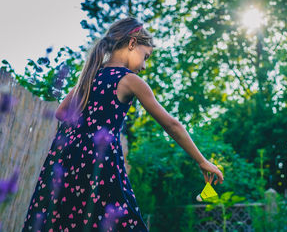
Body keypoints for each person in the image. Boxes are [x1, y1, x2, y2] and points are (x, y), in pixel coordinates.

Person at [21, 16, 224, 231]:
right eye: (146, 57)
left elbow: (62, 113)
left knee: (67, 222)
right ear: (132, 43)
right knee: (121, 222)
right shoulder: (129, 80)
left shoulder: (90, 76)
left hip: (66, 161)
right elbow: (172, 125)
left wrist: (86, 126)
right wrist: (202, 161)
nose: (144, 66)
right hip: (100, 164)